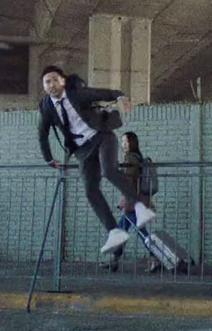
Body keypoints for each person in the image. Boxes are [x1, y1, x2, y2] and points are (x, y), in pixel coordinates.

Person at [36, 65, 142, 266]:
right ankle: (115, 233)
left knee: (109, 170)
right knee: (90, 191)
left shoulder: (76, 94)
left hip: (101, 135)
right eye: (47, 82)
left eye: (54, 80)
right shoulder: (47, 107)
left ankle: (138, 205)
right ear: (43, 86)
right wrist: (48, 157)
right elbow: (42, 133)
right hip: (82, 148)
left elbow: (99, 94)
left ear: (63, 81)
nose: (51, 85)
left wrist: (119, 96)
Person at [114, 131, 160, 274]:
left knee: (138, 231)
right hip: (137, 201)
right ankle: (114, 258)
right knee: (122, 229)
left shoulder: (130, 158)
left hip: (132, 202)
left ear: (132, 143)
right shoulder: (138, 157)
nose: (123, 145)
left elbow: (129, 182)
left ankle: (154, 257)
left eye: (126, 142)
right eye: (122, 142)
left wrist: (125, 201)